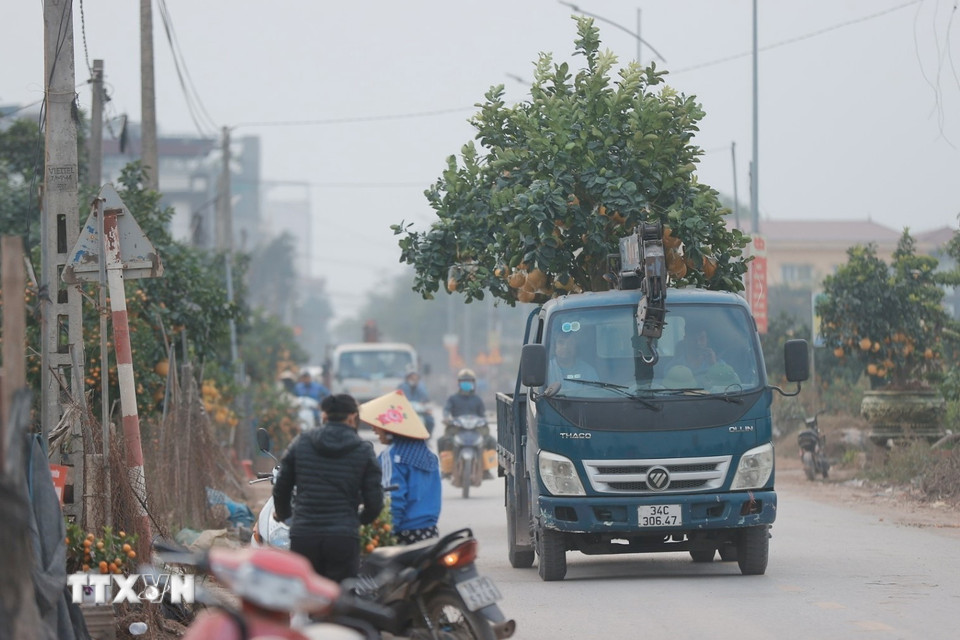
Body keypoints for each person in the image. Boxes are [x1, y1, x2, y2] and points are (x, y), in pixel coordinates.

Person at [272, 394, 383, 583]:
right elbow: (375, 501)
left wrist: (286, 516)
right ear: (351, 417)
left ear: (324, 416)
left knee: (305, 596)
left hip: (304, 535)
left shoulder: (301, 442)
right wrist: (357, 521)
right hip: (342, 538)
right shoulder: (363, 449)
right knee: (340, 599)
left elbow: (281, 487)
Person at [370, 413, 442, 545]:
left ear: (390, 429)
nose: (374, 430)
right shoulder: (429, 455)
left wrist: (385, 533)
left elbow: (391, 498)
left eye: (378, 425)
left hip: (403, 534)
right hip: (430, 532)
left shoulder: (390, 456)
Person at [438, 369, 495, 477]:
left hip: (475, 428)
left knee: (491, 441)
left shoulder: (477, 399)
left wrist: (485, 420)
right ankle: (446, 468)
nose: (466, 383)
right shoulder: (453, 398)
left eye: (469, 381)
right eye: (464, 381)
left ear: (473, 383)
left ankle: (486, 469)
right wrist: (446, 417)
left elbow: (482, 414)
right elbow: (446, 410)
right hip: (457, 428)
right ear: (459, 383)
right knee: (442, 441)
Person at [398, 366, 434, 436]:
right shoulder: (402, 386)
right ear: (407, 378)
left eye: (415, 378)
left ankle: (428, 437)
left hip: (420, 411)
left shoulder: (422, 386)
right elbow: (398, 398)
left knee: (430, 421)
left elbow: (426, 398)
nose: (414, 379)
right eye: (411, 378)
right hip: (406, 412)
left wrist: (425, 405)